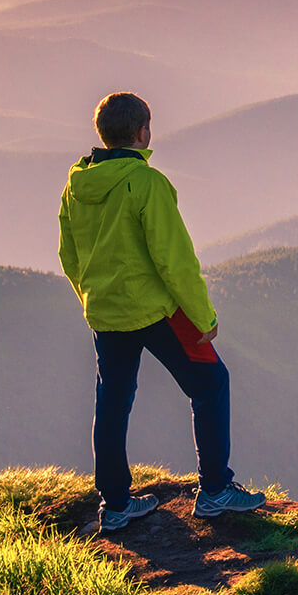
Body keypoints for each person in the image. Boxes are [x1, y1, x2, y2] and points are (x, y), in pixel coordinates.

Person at [59, 91, 266, 532]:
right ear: (143, 132)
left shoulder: (75, 186)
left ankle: (115, 505)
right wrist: (203, 318)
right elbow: (174, 259)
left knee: (112, 404)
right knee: (212, 383)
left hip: (106, 314)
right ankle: (214, 491)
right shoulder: (146, 184)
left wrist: (91, 298)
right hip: (155, 311)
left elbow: (68, 254)